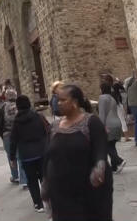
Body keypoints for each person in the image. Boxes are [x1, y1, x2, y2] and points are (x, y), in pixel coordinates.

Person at [42, 84, 112, 221]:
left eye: (63, 100)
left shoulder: (91, 122)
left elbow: (100, 150)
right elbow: (48, 156)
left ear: (74, 102)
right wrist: (45, 183)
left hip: (87, 192)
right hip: (60, 194)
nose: (58, 103)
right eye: (57, 99)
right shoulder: (55, 126)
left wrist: (99, 168)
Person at [9, 95, 49, 213]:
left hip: (26, 155)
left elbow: (13, 140)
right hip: (41, 152)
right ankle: (48, 199)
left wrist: (12, 158)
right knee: (44, 177)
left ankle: (38, 204)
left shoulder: (16, 122)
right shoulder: (37, 116)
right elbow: (46, 131)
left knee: (31, 180)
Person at [0, 87, 28, 188]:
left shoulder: (2, 107)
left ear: (6, 96)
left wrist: (1, 134)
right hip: (21, 133)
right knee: (21, 155)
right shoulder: (20, 105)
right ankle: (24, 180)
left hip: (7, 134)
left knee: (11, 155)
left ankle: (15, 176)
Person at [98, 82, 125, 173]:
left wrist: (102, 127)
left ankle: (119, 161)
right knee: (112, 146)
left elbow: (102, 114)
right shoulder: (112, 98)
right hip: (117, 124)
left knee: (106, 146)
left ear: (102, 89)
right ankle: (114, 167)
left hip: (109, 125)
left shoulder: (102, 98)